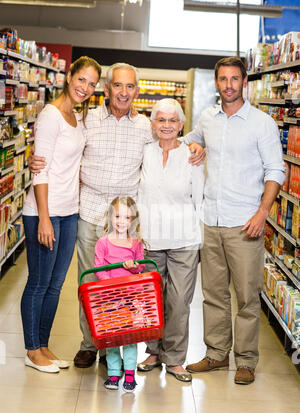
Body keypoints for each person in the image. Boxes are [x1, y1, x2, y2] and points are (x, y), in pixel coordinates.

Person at [29, 62, 204, 369]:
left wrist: (193, 144)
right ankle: (89, 343)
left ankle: (116, 340)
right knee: (91, 283)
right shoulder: (87, 119)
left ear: (137, 90)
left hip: (125, 224)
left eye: (130, 86)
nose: (124, 92)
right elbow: (62, 143)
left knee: (123, 286)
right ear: (106, 89)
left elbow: (170, 136)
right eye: (117, 86)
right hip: (90, 213)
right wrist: (37, 158)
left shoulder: (145, 128)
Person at [183, 57, 286, 385]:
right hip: (210, 220)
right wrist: (195, 142)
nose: (229, 84)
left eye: (235, 79)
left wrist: (262, 213)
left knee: (246, 295)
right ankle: (216, 353)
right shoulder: (207, 118)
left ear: (244, 82)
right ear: (216, 82)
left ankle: (245, 361)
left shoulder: (261, 123)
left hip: (245, 222)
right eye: (223, 79)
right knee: (213, 293)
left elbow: (276, 171)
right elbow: (189, 139)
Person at [21, 56, 102, 373]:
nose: (86, 87)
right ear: (69, 76)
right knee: (38, 283)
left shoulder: (78, 117)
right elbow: (40, 171)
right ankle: (31, 350)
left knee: (55, 286)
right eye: (82, 79)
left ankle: (43, 345)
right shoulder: (52, 115)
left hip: (70, 212)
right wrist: (43, 217)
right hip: (45, 211)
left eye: (92, 83)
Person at [137, 98, 205, 382]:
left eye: (172, 120)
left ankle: (175, 358)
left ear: (181, 125)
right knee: (152, 298)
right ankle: (153, 351)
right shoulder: (145, 152)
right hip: (150, 239)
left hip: (184, 240)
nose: (166, 125)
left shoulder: (192, 156)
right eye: (160, 120)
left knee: (179, 301)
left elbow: (199, 198)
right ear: (153, 124)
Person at [94, 196, 145, 392]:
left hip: (130, 298)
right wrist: (111, 285)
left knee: (130, 337)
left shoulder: (136, 243)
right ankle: (114, 373)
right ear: (110, 217)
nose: (121, 221)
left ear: (133, 220)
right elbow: (99, 267)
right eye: (117, 216)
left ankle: (130, 373)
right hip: (110, 298)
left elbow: (140, 266)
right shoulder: (103, 242)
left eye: (127, 217)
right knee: (112, 337)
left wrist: (133, 267)